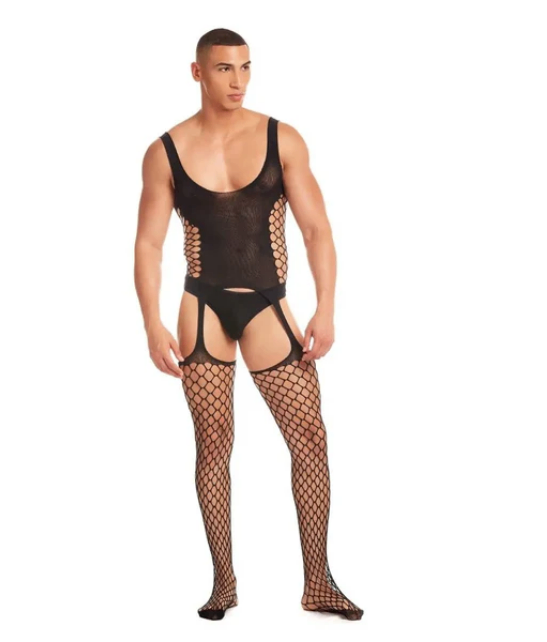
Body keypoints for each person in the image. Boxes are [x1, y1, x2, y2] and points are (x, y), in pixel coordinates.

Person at [134, 28, 363, 621]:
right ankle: (224, 583)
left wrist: (326, 307)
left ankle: (319, 582)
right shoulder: (166, 151)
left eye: (245, 68)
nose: (237, 81)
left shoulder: (280, 138)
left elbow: (316, 229)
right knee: (213, 444)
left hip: (267, 304)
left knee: (309, 438)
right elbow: (149, 243)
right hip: (201, 307)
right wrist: (151, 323)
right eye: (223, 69)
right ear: (197, 73)